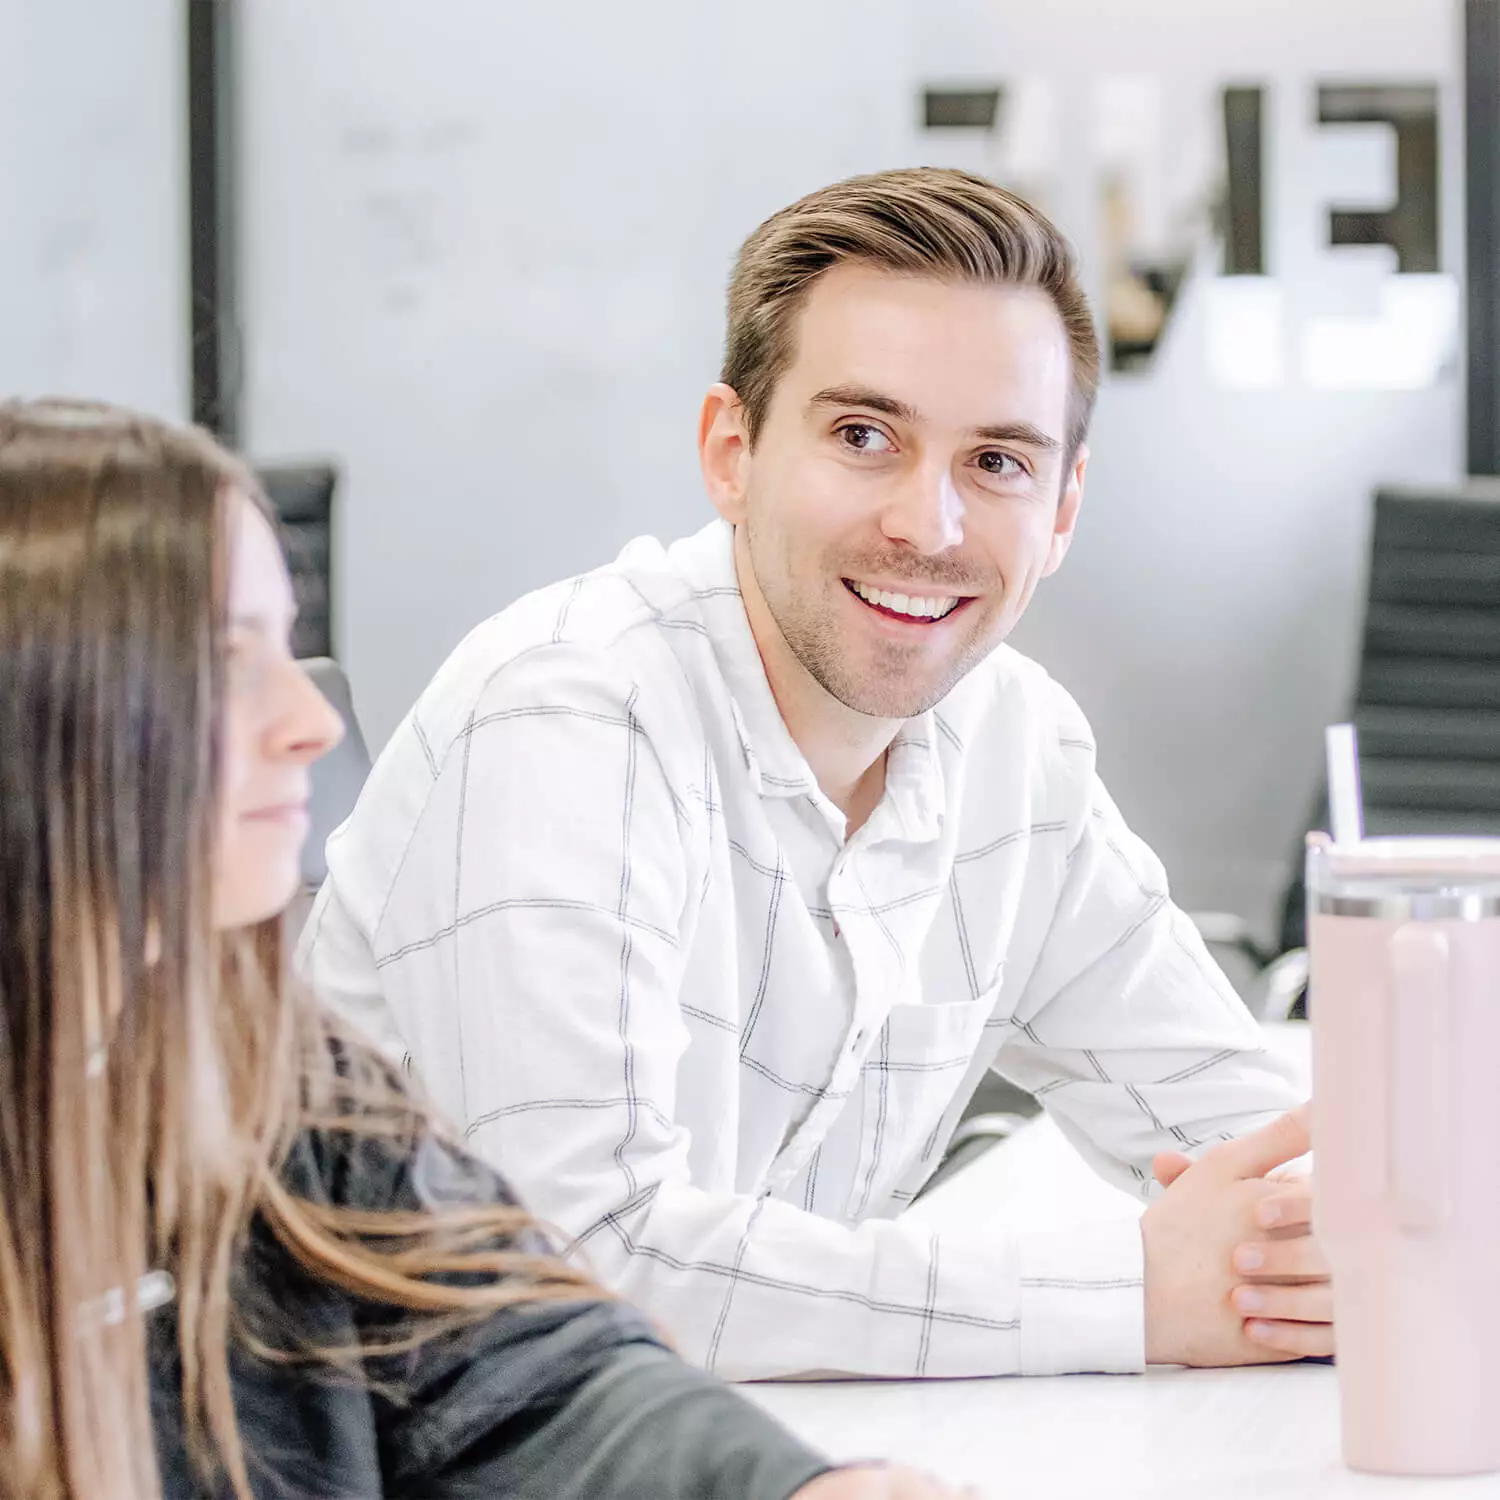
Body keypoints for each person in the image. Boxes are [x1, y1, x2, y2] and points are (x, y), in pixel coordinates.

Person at [303, 168, 1331, 1383]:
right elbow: (579, 1267)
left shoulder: (1013, 744)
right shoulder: (570, 714)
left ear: (1062, 511)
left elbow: (1262, 1146)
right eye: (862, 436)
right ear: (731, 453)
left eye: (998, 461)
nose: (930, 526)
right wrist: (1128, 1294)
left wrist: (1352, 1230)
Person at [0, 399, 963, 1500]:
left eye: (284, 643)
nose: (310, 724)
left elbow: (527, 1365)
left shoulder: (273, 1083)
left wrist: (784, 1489)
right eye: (222, 664)